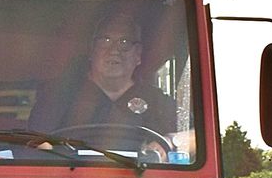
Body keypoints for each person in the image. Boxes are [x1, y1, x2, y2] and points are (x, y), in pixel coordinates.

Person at [29, 8, 177, 145]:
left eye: (124, 42)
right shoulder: (59, 96)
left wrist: (171, 142)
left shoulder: (156, 101)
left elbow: (193, 134)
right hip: (73, 173)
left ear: (138, 54)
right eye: (105, 40)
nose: (114, 50)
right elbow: (36, 144)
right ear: (92, 50)